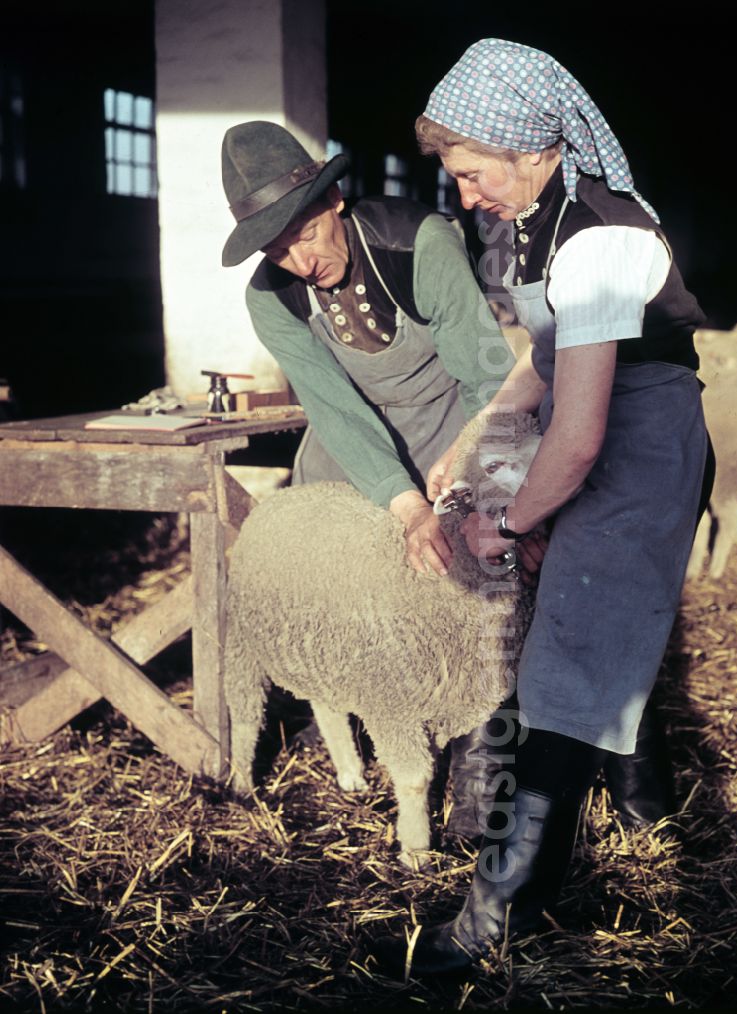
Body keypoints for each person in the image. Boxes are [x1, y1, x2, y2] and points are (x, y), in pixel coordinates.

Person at [373, 38, 714, 975]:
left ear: (527, 146)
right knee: (597, 631)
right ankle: (646, 810)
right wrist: (475, 433)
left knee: (561, 669)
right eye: (455, 177)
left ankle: (500, 920)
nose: (467, 194)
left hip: (636, 443)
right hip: (600, 424)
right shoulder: (546, 214)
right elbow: (547, 358)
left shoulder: (601, 235)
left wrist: (511, 520)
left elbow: (584, 430)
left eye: (474, 173)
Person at [219, 119, 520, 836]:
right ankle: (366, 751)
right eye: (275, 248)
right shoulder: (272, 297)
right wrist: (402, 503)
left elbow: (487, 377)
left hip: (452, 433)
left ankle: (480, 790)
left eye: (303, 234)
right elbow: (335, 410)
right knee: (352, 608)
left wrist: (482, 480)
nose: (296, 259)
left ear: (333, 204)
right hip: (351, 457)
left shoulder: (421, 246)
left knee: (480, 601)